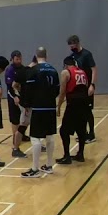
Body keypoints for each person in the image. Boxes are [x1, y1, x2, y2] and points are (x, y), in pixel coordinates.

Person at [21, 47, 62, 179]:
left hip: (38, 108)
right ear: (46, 55)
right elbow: (57, 90)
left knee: (35, 137)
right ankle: (49, 165)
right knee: (49, 136)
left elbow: (28, 90)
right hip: (50, 107)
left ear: (36, 56)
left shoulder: (34, 71)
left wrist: (26, 104)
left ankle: (35, 169)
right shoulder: (54, 71)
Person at [56, 55, 91, 164]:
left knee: (63, 130)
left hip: (73, 104)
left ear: (66, 65)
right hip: (84, 103)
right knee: (81, 130)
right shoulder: (82, 72)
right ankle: (80, 154)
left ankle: (67, 156)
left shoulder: (66, 72)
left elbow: (62, 92)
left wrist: (59, 106)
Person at [67, 35, 98, 142]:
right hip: (78, 87)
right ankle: (82, 133)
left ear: (78, 43)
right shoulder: (72, 56)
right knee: (80, 111)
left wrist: (92, 85)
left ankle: (92, 134)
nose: (72, 48)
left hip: (87, 86)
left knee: (88, 111)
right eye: (70, 47)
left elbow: (93, 69)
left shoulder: (87, 54)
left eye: (73, 46)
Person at [4, 50, 30, 158]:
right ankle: (15, 143)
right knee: (15, 120)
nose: (19, 60)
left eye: (20, 58)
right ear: (12, 59)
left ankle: (22, 135)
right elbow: (10, 87)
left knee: (24, 118)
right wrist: (15, 97)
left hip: (22, 98)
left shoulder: (23, 69)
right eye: (16, 59)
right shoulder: (10, 70)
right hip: (13, 98)